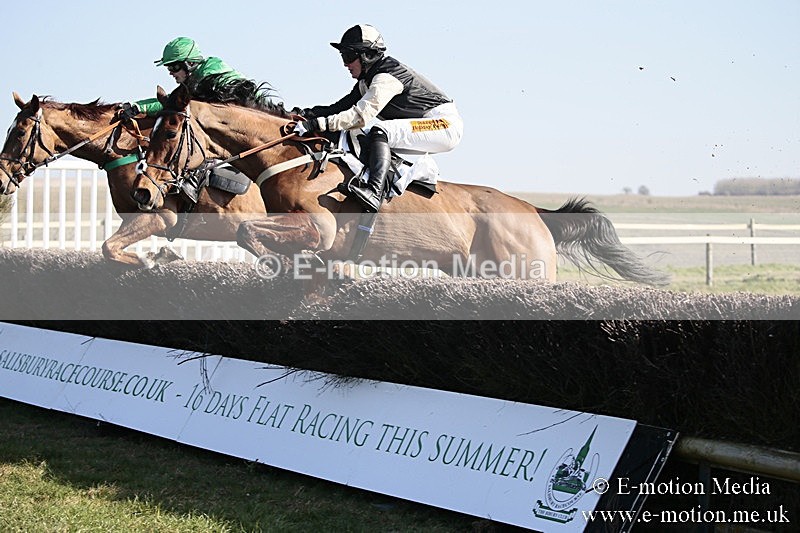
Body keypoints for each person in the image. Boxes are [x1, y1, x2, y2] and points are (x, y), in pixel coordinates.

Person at [295, 24, 463, 212]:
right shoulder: (367, 80)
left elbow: (359, 116)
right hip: (428, 123)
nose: (345, 64)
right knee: (362, 137)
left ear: (366, 55)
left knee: (379, 131)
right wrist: (304, 113)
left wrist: (315, 124)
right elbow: (338, 108)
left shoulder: (387, 77)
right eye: (343, 57)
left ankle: (374, 191)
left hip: (444, 124)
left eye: (348, 57)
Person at [119, 37, 276, 119]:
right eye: (168, 68)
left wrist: (139, 108)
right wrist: (135, 105)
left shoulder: (207, 77)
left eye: (174, 67)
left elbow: (179, 105)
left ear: (190, 63)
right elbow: (170, 99)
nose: (170, 72)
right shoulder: (196, 76)